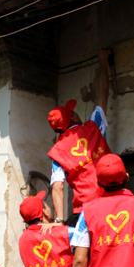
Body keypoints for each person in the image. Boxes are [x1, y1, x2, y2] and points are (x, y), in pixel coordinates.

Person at [47, 68, 111, 226]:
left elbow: (57, 186)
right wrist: (103, 63)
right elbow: (102, 97)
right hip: (108, 202)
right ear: (73, 117)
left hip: (83, 210)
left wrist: (59, 220)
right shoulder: (93, 127)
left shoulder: (57, 152)